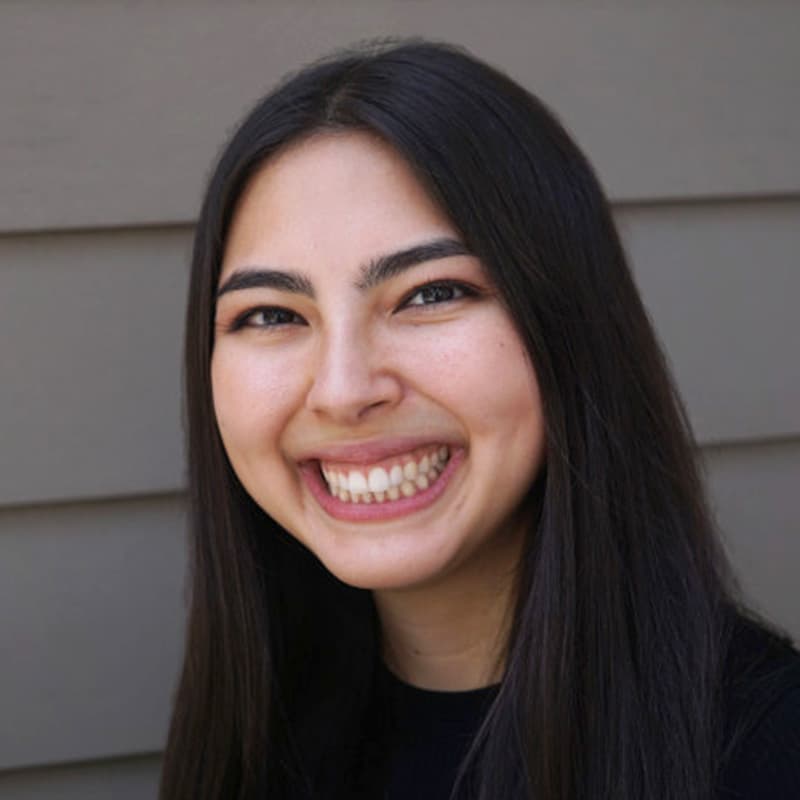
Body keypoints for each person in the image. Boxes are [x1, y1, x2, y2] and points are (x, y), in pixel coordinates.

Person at [160, 40, 800, 799]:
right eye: (271, 313)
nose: (342, 390)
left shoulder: (769, 755)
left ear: (569, 326)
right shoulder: (254, 740)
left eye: (430, 294)